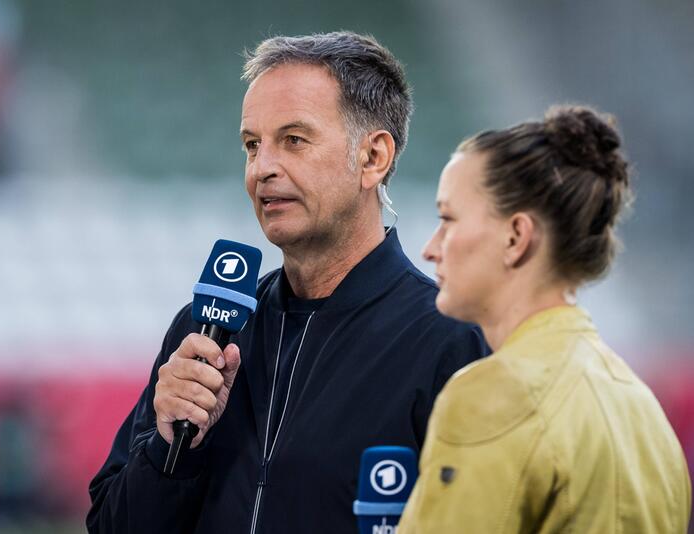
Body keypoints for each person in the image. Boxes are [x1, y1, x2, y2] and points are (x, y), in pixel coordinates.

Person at [87, 31, 487, 534]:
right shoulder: (204, 331)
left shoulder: (450, 342)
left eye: (293, 140)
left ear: (373, 158)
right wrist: (171, 450)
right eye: (252, 145)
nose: (262, 168)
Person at [399, 106, 692, 532]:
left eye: (447, 219)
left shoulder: (491, 394)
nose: (430, 247)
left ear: (516, 237)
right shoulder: (641, 405)